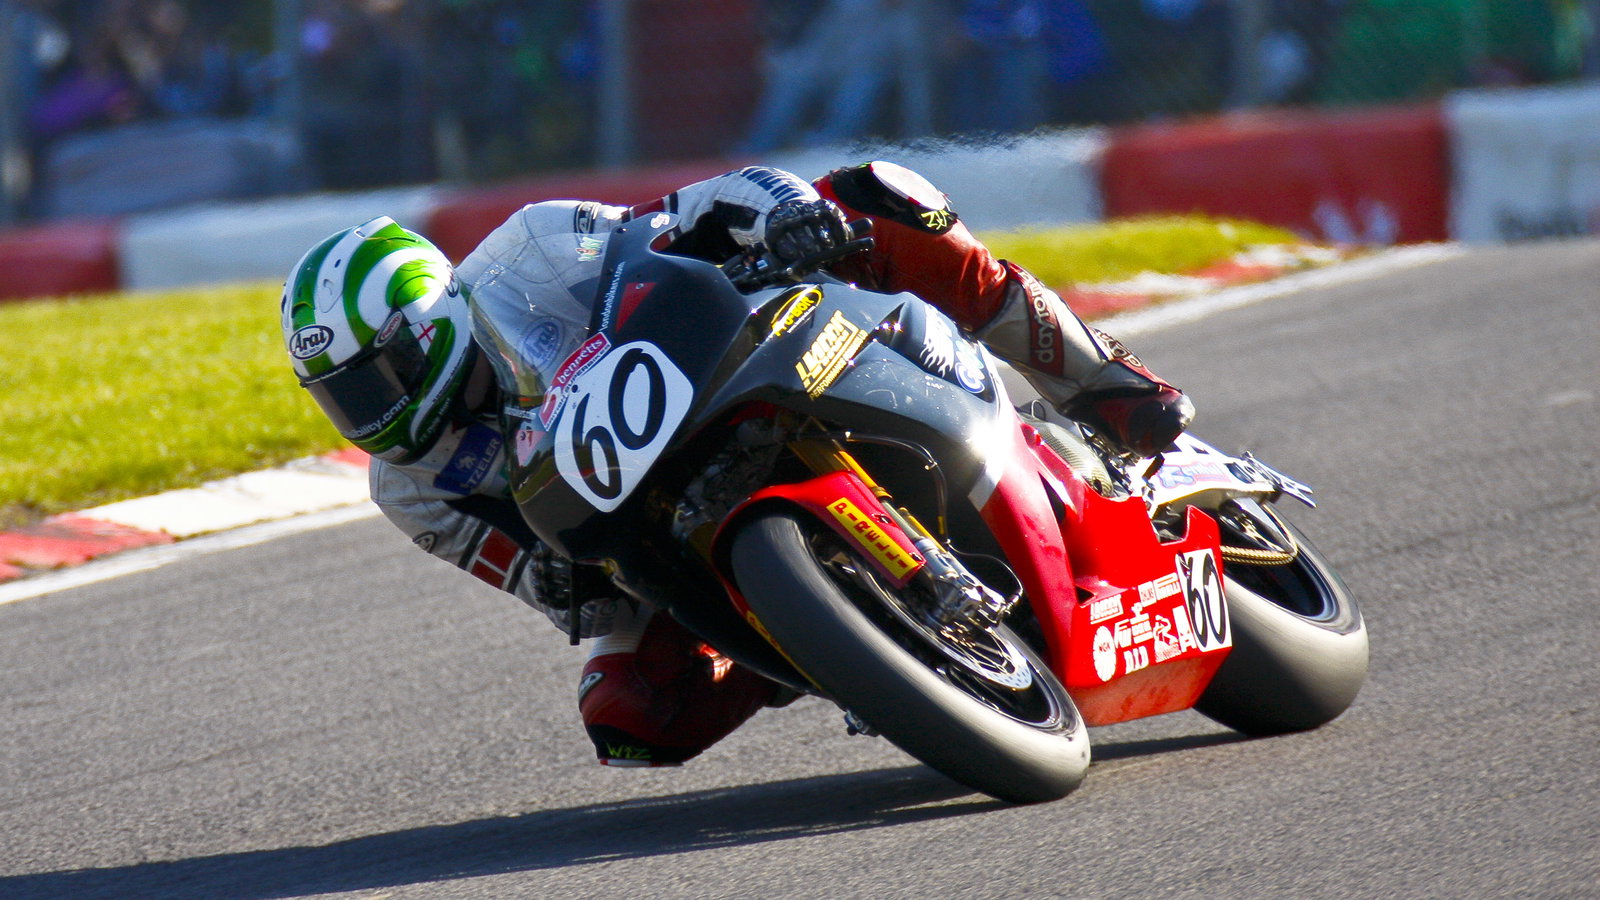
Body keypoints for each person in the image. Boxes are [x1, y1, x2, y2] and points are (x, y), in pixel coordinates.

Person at [280, 161, 1192, 768]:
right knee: (628, 717)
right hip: (649, 526)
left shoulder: (529, 249)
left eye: (378, 379)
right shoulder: (412, 487)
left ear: (430, 321)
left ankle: (1101, 379)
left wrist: (784, 215)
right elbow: (557, 594)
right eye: (343, 399)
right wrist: (564, 583)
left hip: (747, 357)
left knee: (872, 194)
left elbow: (684, 214)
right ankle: (841, 644)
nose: (373, 414)